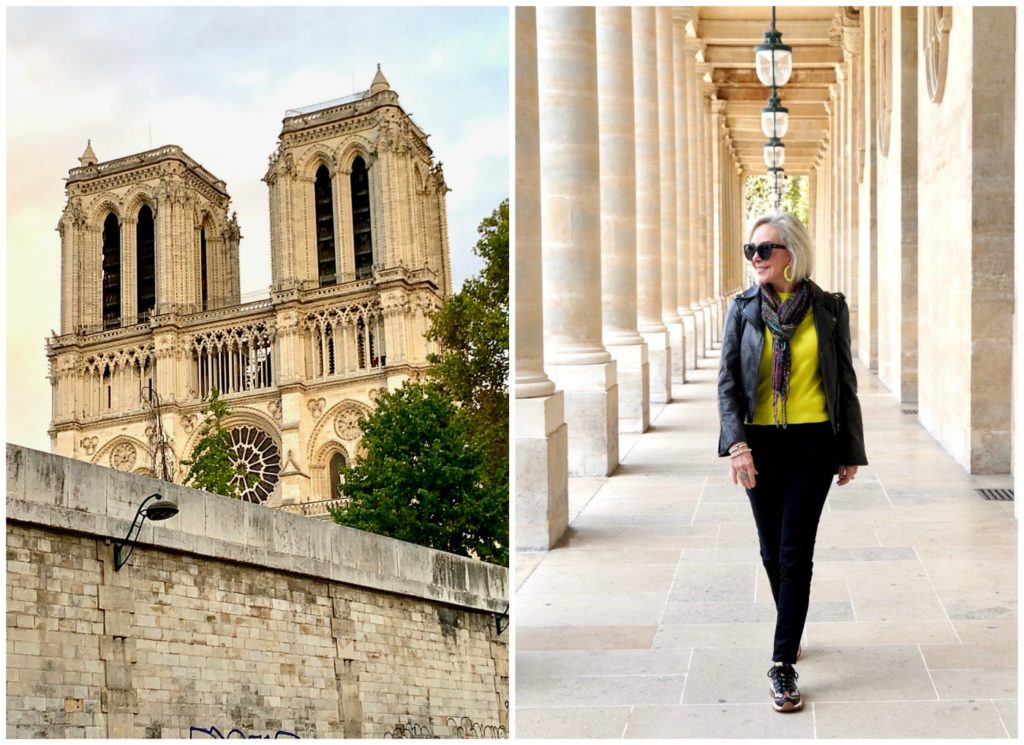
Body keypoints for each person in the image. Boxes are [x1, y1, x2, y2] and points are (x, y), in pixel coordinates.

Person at [717, 213, 867, 713]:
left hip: (812, 444)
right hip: (758, 443)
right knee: (768, 546)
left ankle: (782, 664)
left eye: (765, 249)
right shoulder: (741, 309)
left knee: (794, 550)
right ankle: (793, 624)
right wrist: (736, 446)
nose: (755, 259)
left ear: (791, 254)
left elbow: (844, 381)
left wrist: (850, 450)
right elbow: (728, 387)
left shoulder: (828, 308)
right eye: (751, 250)